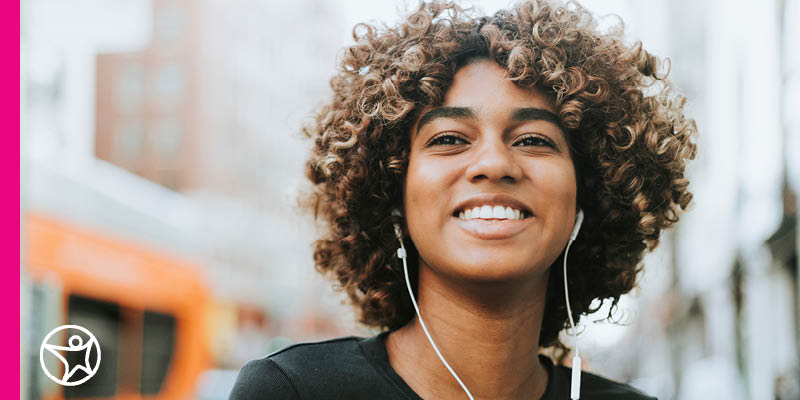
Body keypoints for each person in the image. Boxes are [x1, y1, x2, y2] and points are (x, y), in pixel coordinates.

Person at [229, 0, 696, 399]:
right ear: (392, 192)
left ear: (588, 194)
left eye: (534, 139)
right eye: (450, 138)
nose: (494, 164)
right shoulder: (292, 392)